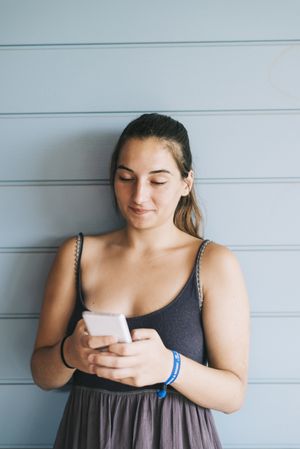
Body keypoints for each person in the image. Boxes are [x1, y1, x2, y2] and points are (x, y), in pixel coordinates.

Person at [30, 113, 250, 449]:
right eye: (125, 177)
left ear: (185, 184)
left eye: (158, 181)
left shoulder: (214, 263)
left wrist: (170, 366)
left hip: (177, 437)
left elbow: (233, 395)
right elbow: (42, 374)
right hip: (89, 435)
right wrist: (70, 354)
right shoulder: (76, 254)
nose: (139, 195)